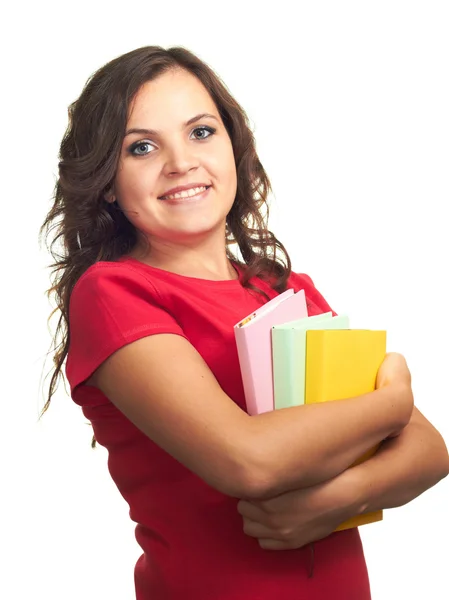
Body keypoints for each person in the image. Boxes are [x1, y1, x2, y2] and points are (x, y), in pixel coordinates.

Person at [40, 45, 449, 600]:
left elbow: (427, 451)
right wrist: (392, 400)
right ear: (108, 182)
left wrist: (329, 502)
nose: (181, 162)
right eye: (141, 147)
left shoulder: (282, 288)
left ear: (233, 146)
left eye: (201, 132)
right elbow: (248, 462)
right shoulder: (113, 294)